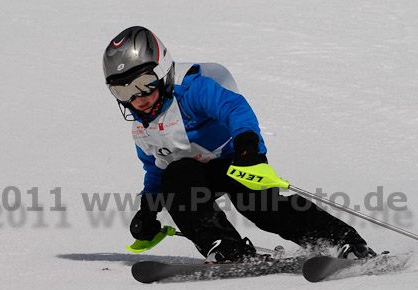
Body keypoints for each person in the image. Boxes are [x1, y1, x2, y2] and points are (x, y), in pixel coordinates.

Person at [102, 26, 375, 262]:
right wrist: (149, 209)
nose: (138, 98)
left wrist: (249, 151)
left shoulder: (192, 90)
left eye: (144, 83)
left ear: (162, 71)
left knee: (260, 207)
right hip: (195, 176)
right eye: (123, 91)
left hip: (238, 161)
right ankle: (224, 247)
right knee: (175, 178)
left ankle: (343, 242)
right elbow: (157, 169)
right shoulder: (142, 129)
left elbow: (234, 109)